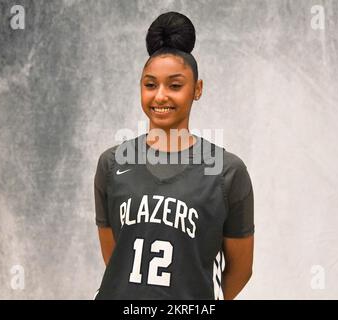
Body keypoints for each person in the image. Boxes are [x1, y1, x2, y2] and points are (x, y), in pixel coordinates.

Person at [94, 11, 254, 300]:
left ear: (197, 89)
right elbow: (116, 259)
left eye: (175, 85)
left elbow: (241, 270)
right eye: (150, 84)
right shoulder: (112, 163)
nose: (160, 96)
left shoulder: (226, 171)